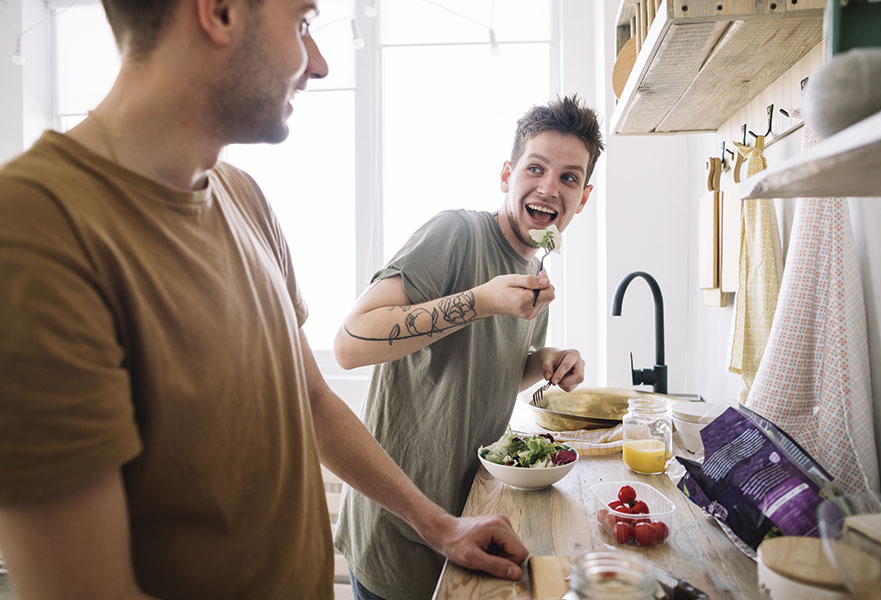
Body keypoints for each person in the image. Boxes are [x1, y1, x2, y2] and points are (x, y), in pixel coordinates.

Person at [0, 1, 530, 598]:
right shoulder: (35, 231)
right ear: (220, 12)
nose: (320, 63)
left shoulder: (242, 196)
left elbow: (313, 401)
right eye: (302, 23)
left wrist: (439, 525)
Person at [333, 95, 604, 600]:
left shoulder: (535, 275)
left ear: (582, 197)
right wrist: (481, 301)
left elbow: (489, 372)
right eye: (536, 168)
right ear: (507, 175)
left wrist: (542, 363)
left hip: (469, 521)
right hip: (397, 532)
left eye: (568, 177)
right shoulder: (454, 233)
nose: (549, 187)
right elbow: (350, 342)